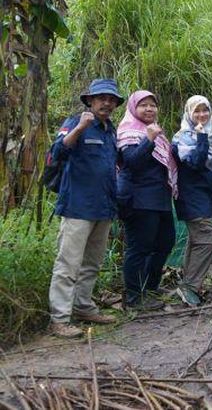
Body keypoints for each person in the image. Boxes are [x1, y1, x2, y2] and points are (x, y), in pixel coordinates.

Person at [46, 79, 124, 338]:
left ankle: (83, 307)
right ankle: (59, 318)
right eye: (102, 98)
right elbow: (56, 152)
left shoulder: (110, 130)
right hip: (77, 207)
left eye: (111, 99)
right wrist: (80, 127)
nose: (107, 103)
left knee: (92, 263)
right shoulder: (74, 122)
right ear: (90, 100)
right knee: (68, 264)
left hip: (103, 208)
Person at [117, 90, 178, 311]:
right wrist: (149, 139)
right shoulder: (129, 132)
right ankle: (134, 297)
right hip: (139, 199)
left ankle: (150, 287)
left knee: (165, 243)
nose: (149, 109)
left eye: (153, 105)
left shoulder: (157, 133)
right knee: (139, 248)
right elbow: (131, 163)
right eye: (144, 105)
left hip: (160, 199)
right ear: (134, 108)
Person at [172, 95, 212, 306]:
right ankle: (190, 286)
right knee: (207, 240)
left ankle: (188, 284)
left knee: (197, 241)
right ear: (188, 113)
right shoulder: (182, 138)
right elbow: (195, 163)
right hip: (191, 196)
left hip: (204, 197)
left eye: (205, 110)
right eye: (197, 111)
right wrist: (200, 138)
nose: (202, 115)